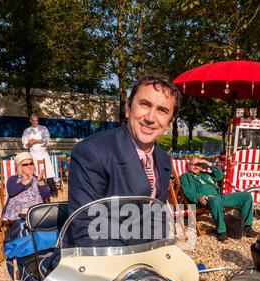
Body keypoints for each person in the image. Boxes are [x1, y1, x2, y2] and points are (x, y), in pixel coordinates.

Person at [68, 74, 180, 246]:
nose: (150, 118)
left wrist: (161, 253)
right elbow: (85, 229)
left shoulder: (164, 159)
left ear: (170, 121)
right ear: (128, 107)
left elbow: (157, 216)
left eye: (162, 110)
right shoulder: (92, 152)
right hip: (102, 262)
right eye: (145, 104)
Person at [180, 156, 258, 242]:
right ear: (188, 165)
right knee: (216, 200)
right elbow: (187, 191)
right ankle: (221, 231)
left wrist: (208, 164)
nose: (196, 166)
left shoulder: (205, 175)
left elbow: (220, 175)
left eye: (198, 164)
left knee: (246, 196)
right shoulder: (185, 177)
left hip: (218, 198)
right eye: (193, 164)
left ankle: (247, 227)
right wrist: (198, 197)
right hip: (204, 200)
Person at [2, 151, 50, 224]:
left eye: (31, 163)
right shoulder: (13, 179)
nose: (29, 166)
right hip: (18, 211)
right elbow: (11, 192)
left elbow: (46, 195)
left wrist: (40, 183)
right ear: (19, 167)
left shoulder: (39, 178)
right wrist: (26, 181)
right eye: (25, 164)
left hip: (36, 210)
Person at [22, 113, 58, 197]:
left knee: (48, 172)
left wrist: (36, 141)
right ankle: (37, 191)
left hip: (43, 153)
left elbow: (46, 140)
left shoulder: (43, 128)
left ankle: (53, 190)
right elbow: (24, 145)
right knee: (35, 173)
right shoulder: (27, 131)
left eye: (37, 120)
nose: (35, 122)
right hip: (33, 154)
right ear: (30, 121)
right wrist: (29, 143)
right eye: (33, 120)